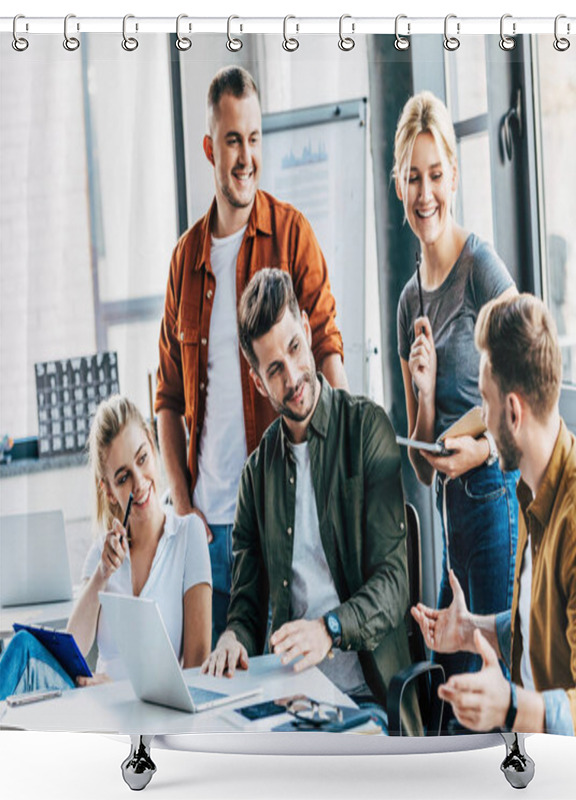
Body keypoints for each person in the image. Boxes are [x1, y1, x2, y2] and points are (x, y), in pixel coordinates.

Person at [156, 65, 348, 646]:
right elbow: (166, 398)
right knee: (219, 692)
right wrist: (184, 506)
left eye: (255, 139)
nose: (246, 157)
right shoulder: (184, 262)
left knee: (287, 687)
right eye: (234, 140)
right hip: (211, 529)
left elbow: (328, 357)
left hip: (286, 517)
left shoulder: (292, 235)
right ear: (211, 147)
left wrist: (343, 475)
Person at [201, 269, 418, 733]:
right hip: (288, 699)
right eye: (274, 369)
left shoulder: (366, 430)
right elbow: (245, 603)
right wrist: (232, 637)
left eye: (294, 348)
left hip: (366, 697)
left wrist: (329, 630)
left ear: (306, 325)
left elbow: (395, 583)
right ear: (258, 381)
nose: (292, 376)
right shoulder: (257, 476)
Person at [411, 294, 576, 737]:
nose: (483, 417)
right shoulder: (534, 492)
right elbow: (537, 631)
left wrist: (510, 707)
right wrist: (472, 629)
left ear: (512, 411)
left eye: (485, 401)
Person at [393, 91, 520, 716]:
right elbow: (422, 465)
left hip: (496, 504)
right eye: (413, 177)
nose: (426, 194)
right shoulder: (409, 301)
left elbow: (536, 384)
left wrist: (484, 447)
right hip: (449, 526)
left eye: (436, 175)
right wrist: (421, 393)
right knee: (459, 694)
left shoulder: (481, 270)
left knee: (495, 691)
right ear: (398, 185)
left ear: (454, 176)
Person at [0, 396, 211, 701]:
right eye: (123, 477)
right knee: (21, 645)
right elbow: (73, 650)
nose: (139, 483)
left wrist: (117, 690)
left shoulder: (188, 535)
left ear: (152, 445)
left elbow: (195, 668)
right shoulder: (103, 554)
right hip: (96, 705)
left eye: (142, 459)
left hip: (154, 709)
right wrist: (102, 574)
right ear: (109, 491)